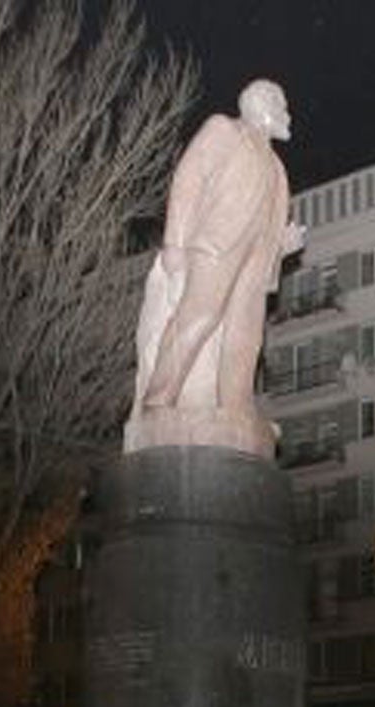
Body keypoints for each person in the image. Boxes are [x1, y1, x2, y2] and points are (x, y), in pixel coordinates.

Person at [128, 79, 304, 448]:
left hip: (256, 263)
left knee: (245, 335)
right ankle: (159, 399)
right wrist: (175, 242)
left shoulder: (277, 167)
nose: (287, 114)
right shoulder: (224, 130)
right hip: (216, 246)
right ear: (262, 106)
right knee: (199, 317)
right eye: (282, 105)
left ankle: (236, 408)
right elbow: (188, 179)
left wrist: (281, 248)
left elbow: (265, 219)